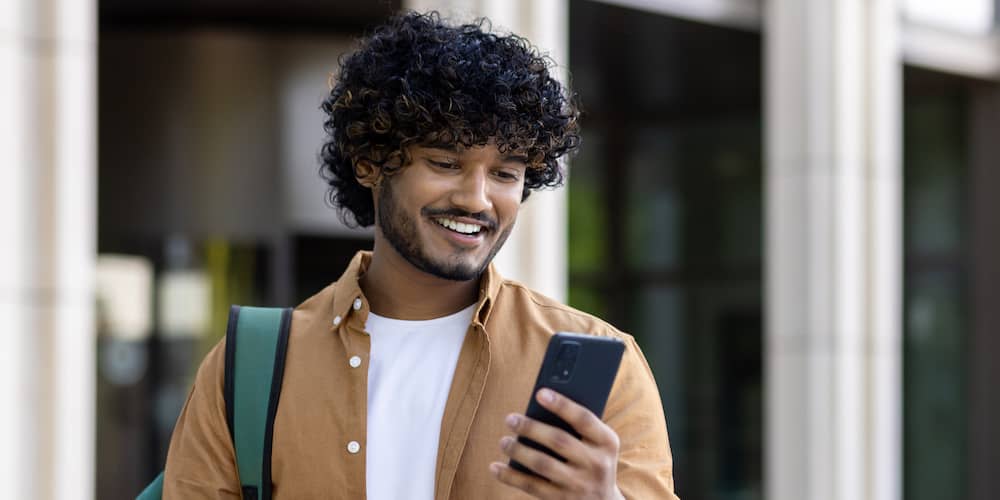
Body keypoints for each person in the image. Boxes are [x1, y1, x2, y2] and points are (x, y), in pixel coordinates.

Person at [161, 11, 675, 499]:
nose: (477, 199)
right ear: (370, 163)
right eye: (445, 162)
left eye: (504, 173)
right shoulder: (249, 367)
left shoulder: (607, 363)